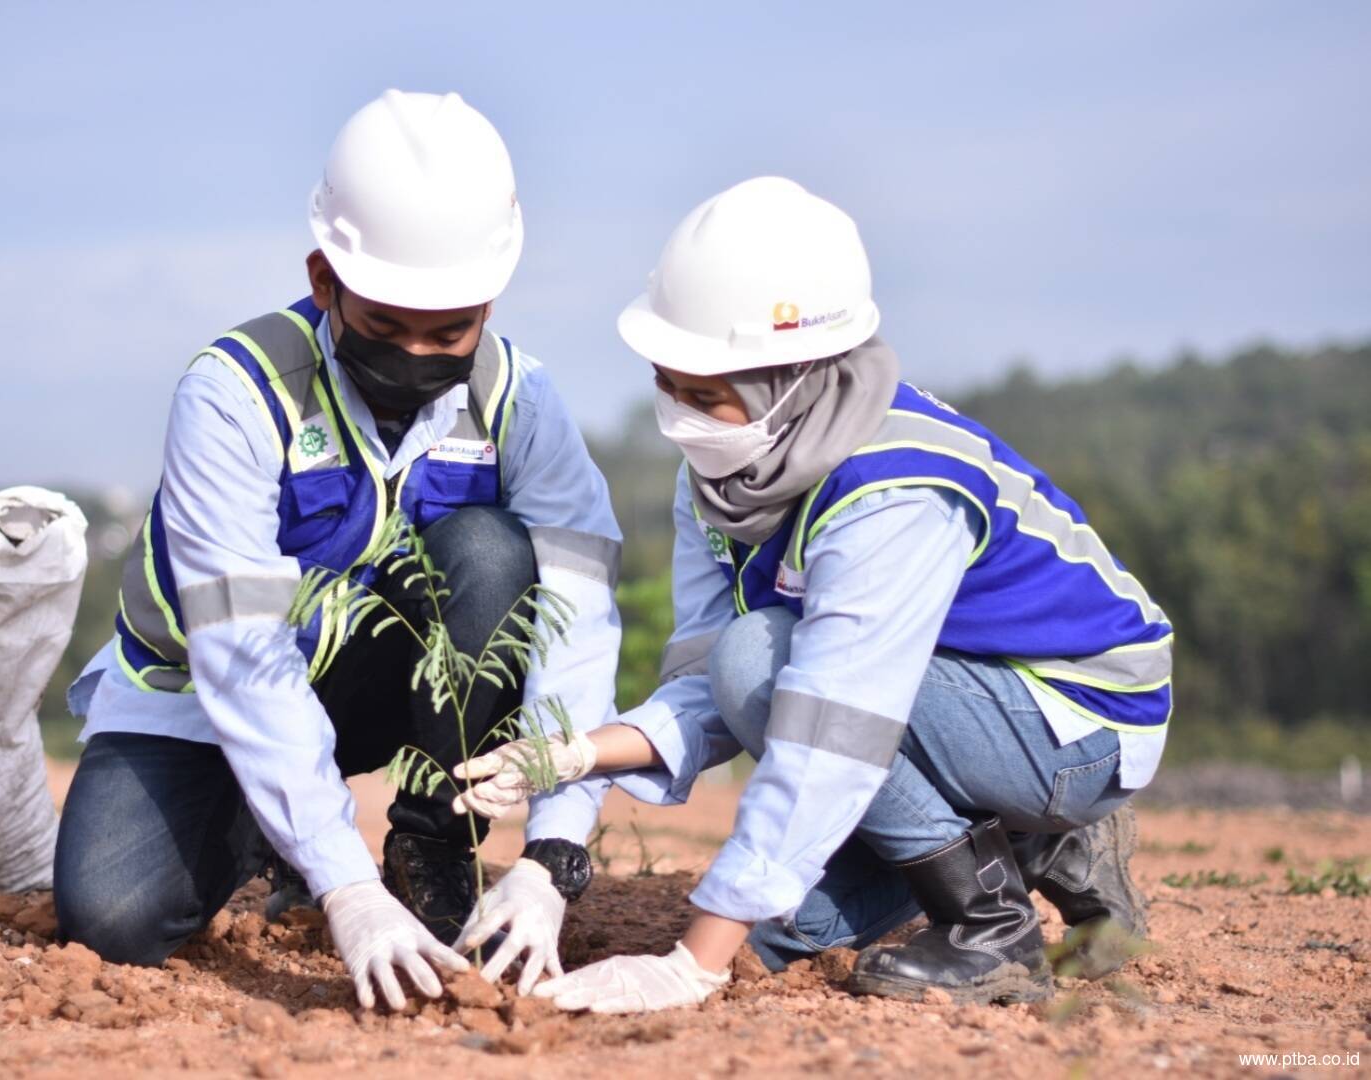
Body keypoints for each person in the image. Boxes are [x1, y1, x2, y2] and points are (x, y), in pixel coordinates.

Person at [453, 176, 1169, 1012]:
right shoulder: (724, 477)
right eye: (668, 383)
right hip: (935, 701)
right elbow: (709, 687)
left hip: (1074, 720)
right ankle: (1042, 845)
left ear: (794, 379)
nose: (680, 415)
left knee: (762, 659)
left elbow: (834, 723)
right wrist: (576, 755)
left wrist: (693, 964)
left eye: (706, 392)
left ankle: (992, 925)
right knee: (778, 933)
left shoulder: (892, 493)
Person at [53, 90, 621, 1011]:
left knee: (488, 552)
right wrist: (342, 884)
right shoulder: (234, 395)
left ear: (489, 299)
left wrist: (555, 849)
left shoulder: (521, 399)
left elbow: (578, 614)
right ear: (325, 280)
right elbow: (238, 651)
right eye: (388, 325)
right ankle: (266, 828)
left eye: (449, 331)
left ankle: (431, 837)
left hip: (376, 685)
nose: (417, 354)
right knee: (114, 918)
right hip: (200, 695)